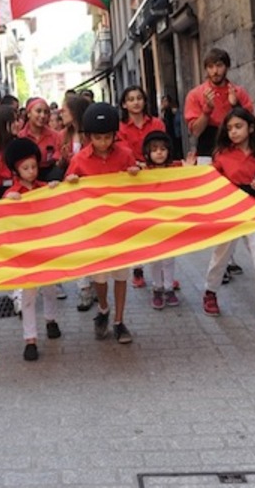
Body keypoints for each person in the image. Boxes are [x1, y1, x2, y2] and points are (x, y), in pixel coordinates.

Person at [202, 107, 255, 332]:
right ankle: (210, 292)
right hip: (230, 213)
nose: (233, 132)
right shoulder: (221, 155)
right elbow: (211, 180)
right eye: (229, 128)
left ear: (250, 128)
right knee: (221, 256)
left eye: (238, 126)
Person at [65, 103, 139, 344]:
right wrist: (71, 181)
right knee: (99, 278)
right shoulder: (79, 160)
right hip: (94, 229)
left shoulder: (125, 154)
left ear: (115, 135)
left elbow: (137, 186)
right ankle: (104, 309)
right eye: (98, 137)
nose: (103, 142)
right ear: (88, 137)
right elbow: (68, 193)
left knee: (121, 275)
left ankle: (118, 321)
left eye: (108, 137)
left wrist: (137, 174)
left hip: (120, 227)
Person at [183, 48, 254, 279]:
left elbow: (250, 125)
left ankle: (229, 259)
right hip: (208, 148)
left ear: (227, 67)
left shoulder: (239, 93)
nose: (215, 71)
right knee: (214, 207)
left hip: (234, 151)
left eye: (219, 65)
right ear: (206, 69)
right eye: (211, 66)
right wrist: (207, 110)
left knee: (233, 204)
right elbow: (194, 130)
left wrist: (235, 107)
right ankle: (220, 264)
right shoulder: (197, 94)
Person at [3, 138, 62, 361]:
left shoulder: (42, 188)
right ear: (16, 171)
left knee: (50, 288)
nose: (31, 171)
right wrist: (9, 200)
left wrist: (55, 189)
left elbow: (56, 202)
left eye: (34, 167)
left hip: (46, 247)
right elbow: (1, 214)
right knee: (28, 295)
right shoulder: (12, 193)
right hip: (25, 251)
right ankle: (30, 339)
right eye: (25, 168)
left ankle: (51, 319)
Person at [117, 85, 167, 289]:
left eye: (139, 98)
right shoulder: (120, 128)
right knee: (136, 224)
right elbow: (122, 151)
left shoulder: (157, 123)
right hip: (132, 179)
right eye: (131, 99)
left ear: (145, 101)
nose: (136, 102)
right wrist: (136, 164)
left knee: (158, 223)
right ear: (124, 104)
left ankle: (163, 273)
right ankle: (137, 268)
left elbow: (165, 146)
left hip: (155, 177)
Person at [140, 131, 194, 308]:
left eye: (163, 149)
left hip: (170, 221)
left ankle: (169, 288)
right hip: (152, 223)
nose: (159, 152)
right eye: (154, 149)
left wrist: (190, 169)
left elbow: (189, 180)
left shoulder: (175, 169)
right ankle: (157, 288)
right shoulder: (143, 172)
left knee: (170, 257)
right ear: (147, 153)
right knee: (155, 258)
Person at [56, 94, 94, 310]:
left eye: (65, 109)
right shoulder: (63, 135)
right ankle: (84, 288)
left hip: (92, 197)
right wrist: (63, 160)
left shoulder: (91, 134)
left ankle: (97, 284)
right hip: (73, 198)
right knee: (79, 243)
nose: (62, 113)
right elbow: (59, 166)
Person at [19, 97, 62, 182]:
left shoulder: (55, 135)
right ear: (29, 114)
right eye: (38, 111)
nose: (42, 116)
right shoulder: (20, 137)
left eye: (46, 112)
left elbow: (58, 157)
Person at [160, 95, 183, 160]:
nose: (164, 103)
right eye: (163, 101)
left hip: (174, 133)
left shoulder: (172, 111)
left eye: (166, 101)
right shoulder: (163, 111)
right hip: (168, 133)